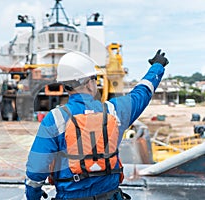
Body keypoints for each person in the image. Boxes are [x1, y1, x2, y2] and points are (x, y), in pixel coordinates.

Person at [25, 50, 169, 199]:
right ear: (89, 84)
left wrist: (33, 196)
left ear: (65, 85)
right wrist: (157, 66)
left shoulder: (55, 119)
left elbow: (36, 170)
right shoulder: (113, 112)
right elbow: (142, 93)